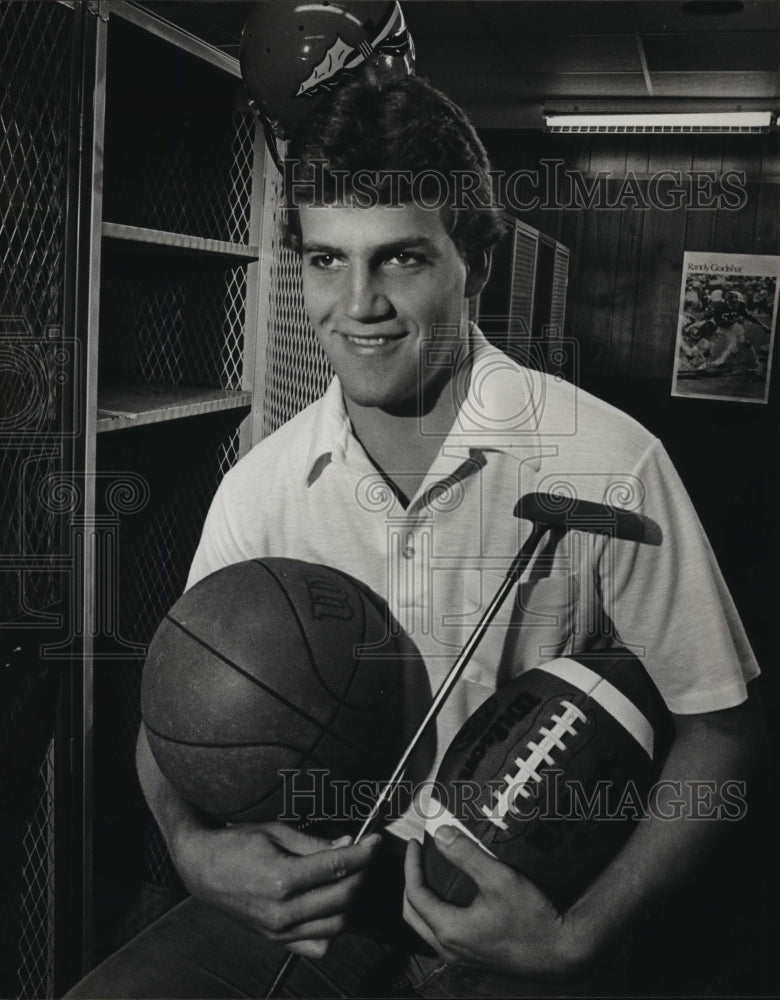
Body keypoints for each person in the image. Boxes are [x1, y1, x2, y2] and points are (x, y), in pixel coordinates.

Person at [67, 71, 763, 999]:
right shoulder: (260, 489)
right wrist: (195, 851)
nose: (357, 306)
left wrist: (580, 939)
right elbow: (178, 712)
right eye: (326, 260)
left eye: (400, 258)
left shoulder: (608, 462)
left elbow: (722, 729)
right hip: (326, 898)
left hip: (527, 911)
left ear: (475, 258)